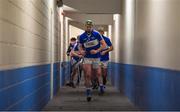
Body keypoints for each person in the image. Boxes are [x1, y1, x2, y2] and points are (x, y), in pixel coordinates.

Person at [79, 20, 106, 102]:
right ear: (85, 26)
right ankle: (88, 91)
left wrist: (97, 51)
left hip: (96, 57)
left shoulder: (97, 34)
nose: (88, 27)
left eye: (90, 26)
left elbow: (103, 45)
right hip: (87, 57)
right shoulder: (82, 36)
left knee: (98, 73)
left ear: (92, 26)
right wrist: (81, 51)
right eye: (87, 26)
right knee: (88, 74)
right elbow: (80, 47)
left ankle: (101, 86)